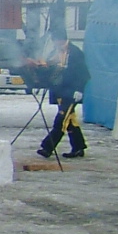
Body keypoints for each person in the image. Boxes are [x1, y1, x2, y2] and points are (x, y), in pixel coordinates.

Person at [37, 24, 90, 159]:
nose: (54, 43)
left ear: (61, 39)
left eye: (55, 40)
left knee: (61, 121)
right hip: (60, 91)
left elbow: (83, 73)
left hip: (71, 92)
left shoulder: (75, 53)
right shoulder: (55, 53)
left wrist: (79, 90)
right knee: (71, 120)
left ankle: (47, 147)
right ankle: (78, 147)